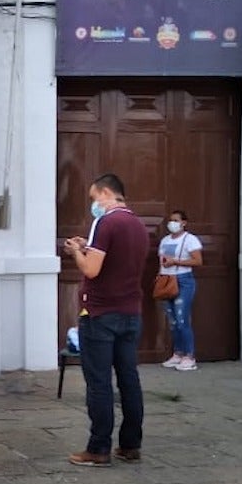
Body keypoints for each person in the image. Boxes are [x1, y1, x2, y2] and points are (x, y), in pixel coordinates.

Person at [62, 173, 148, 467]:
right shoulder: (138, 224)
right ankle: (130, 445)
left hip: (100, 314)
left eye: (94, 197)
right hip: (131, 312)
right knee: (129, 379)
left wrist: (76, 251)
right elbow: (116, 260)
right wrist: (90, 246)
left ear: (106, 193)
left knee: (99, 383)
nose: (93, 204)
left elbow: (91, 270)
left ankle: (98, 448)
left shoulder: (106, 221)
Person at [159, 209, 203, 371]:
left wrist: (176, 262)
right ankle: (177, 353)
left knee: (182, 319)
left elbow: (197, 261)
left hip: (183, 280)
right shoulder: (164, 240)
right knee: (172, 321)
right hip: (167, 280)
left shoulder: (190, 240)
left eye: (176, 220)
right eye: (171, 220)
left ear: (184, 223)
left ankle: (189, 356)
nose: (173, 223)